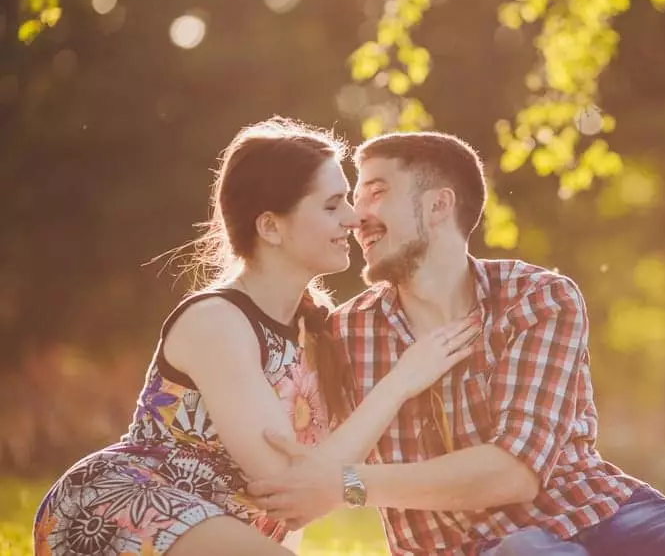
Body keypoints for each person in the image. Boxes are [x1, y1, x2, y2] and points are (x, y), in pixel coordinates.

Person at [249, 131, 665, 555]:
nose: (357, 215)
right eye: (351, 197)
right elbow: (294, 456)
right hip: (465, 549)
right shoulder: (343, 334)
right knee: (525, 549)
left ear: (439, 207)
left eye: (377, 192)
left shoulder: (538, 299)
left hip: (602, 515)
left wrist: (349, 484)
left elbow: (513, 473)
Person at [32, 118, 480, 556]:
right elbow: (285, 480)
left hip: (227, 532)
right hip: (122, 506)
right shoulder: (216, 322)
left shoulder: (318, 330)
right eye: (331, 205)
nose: (354, 218)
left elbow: (298, 505)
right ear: (270, 227)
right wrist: (400, 382)